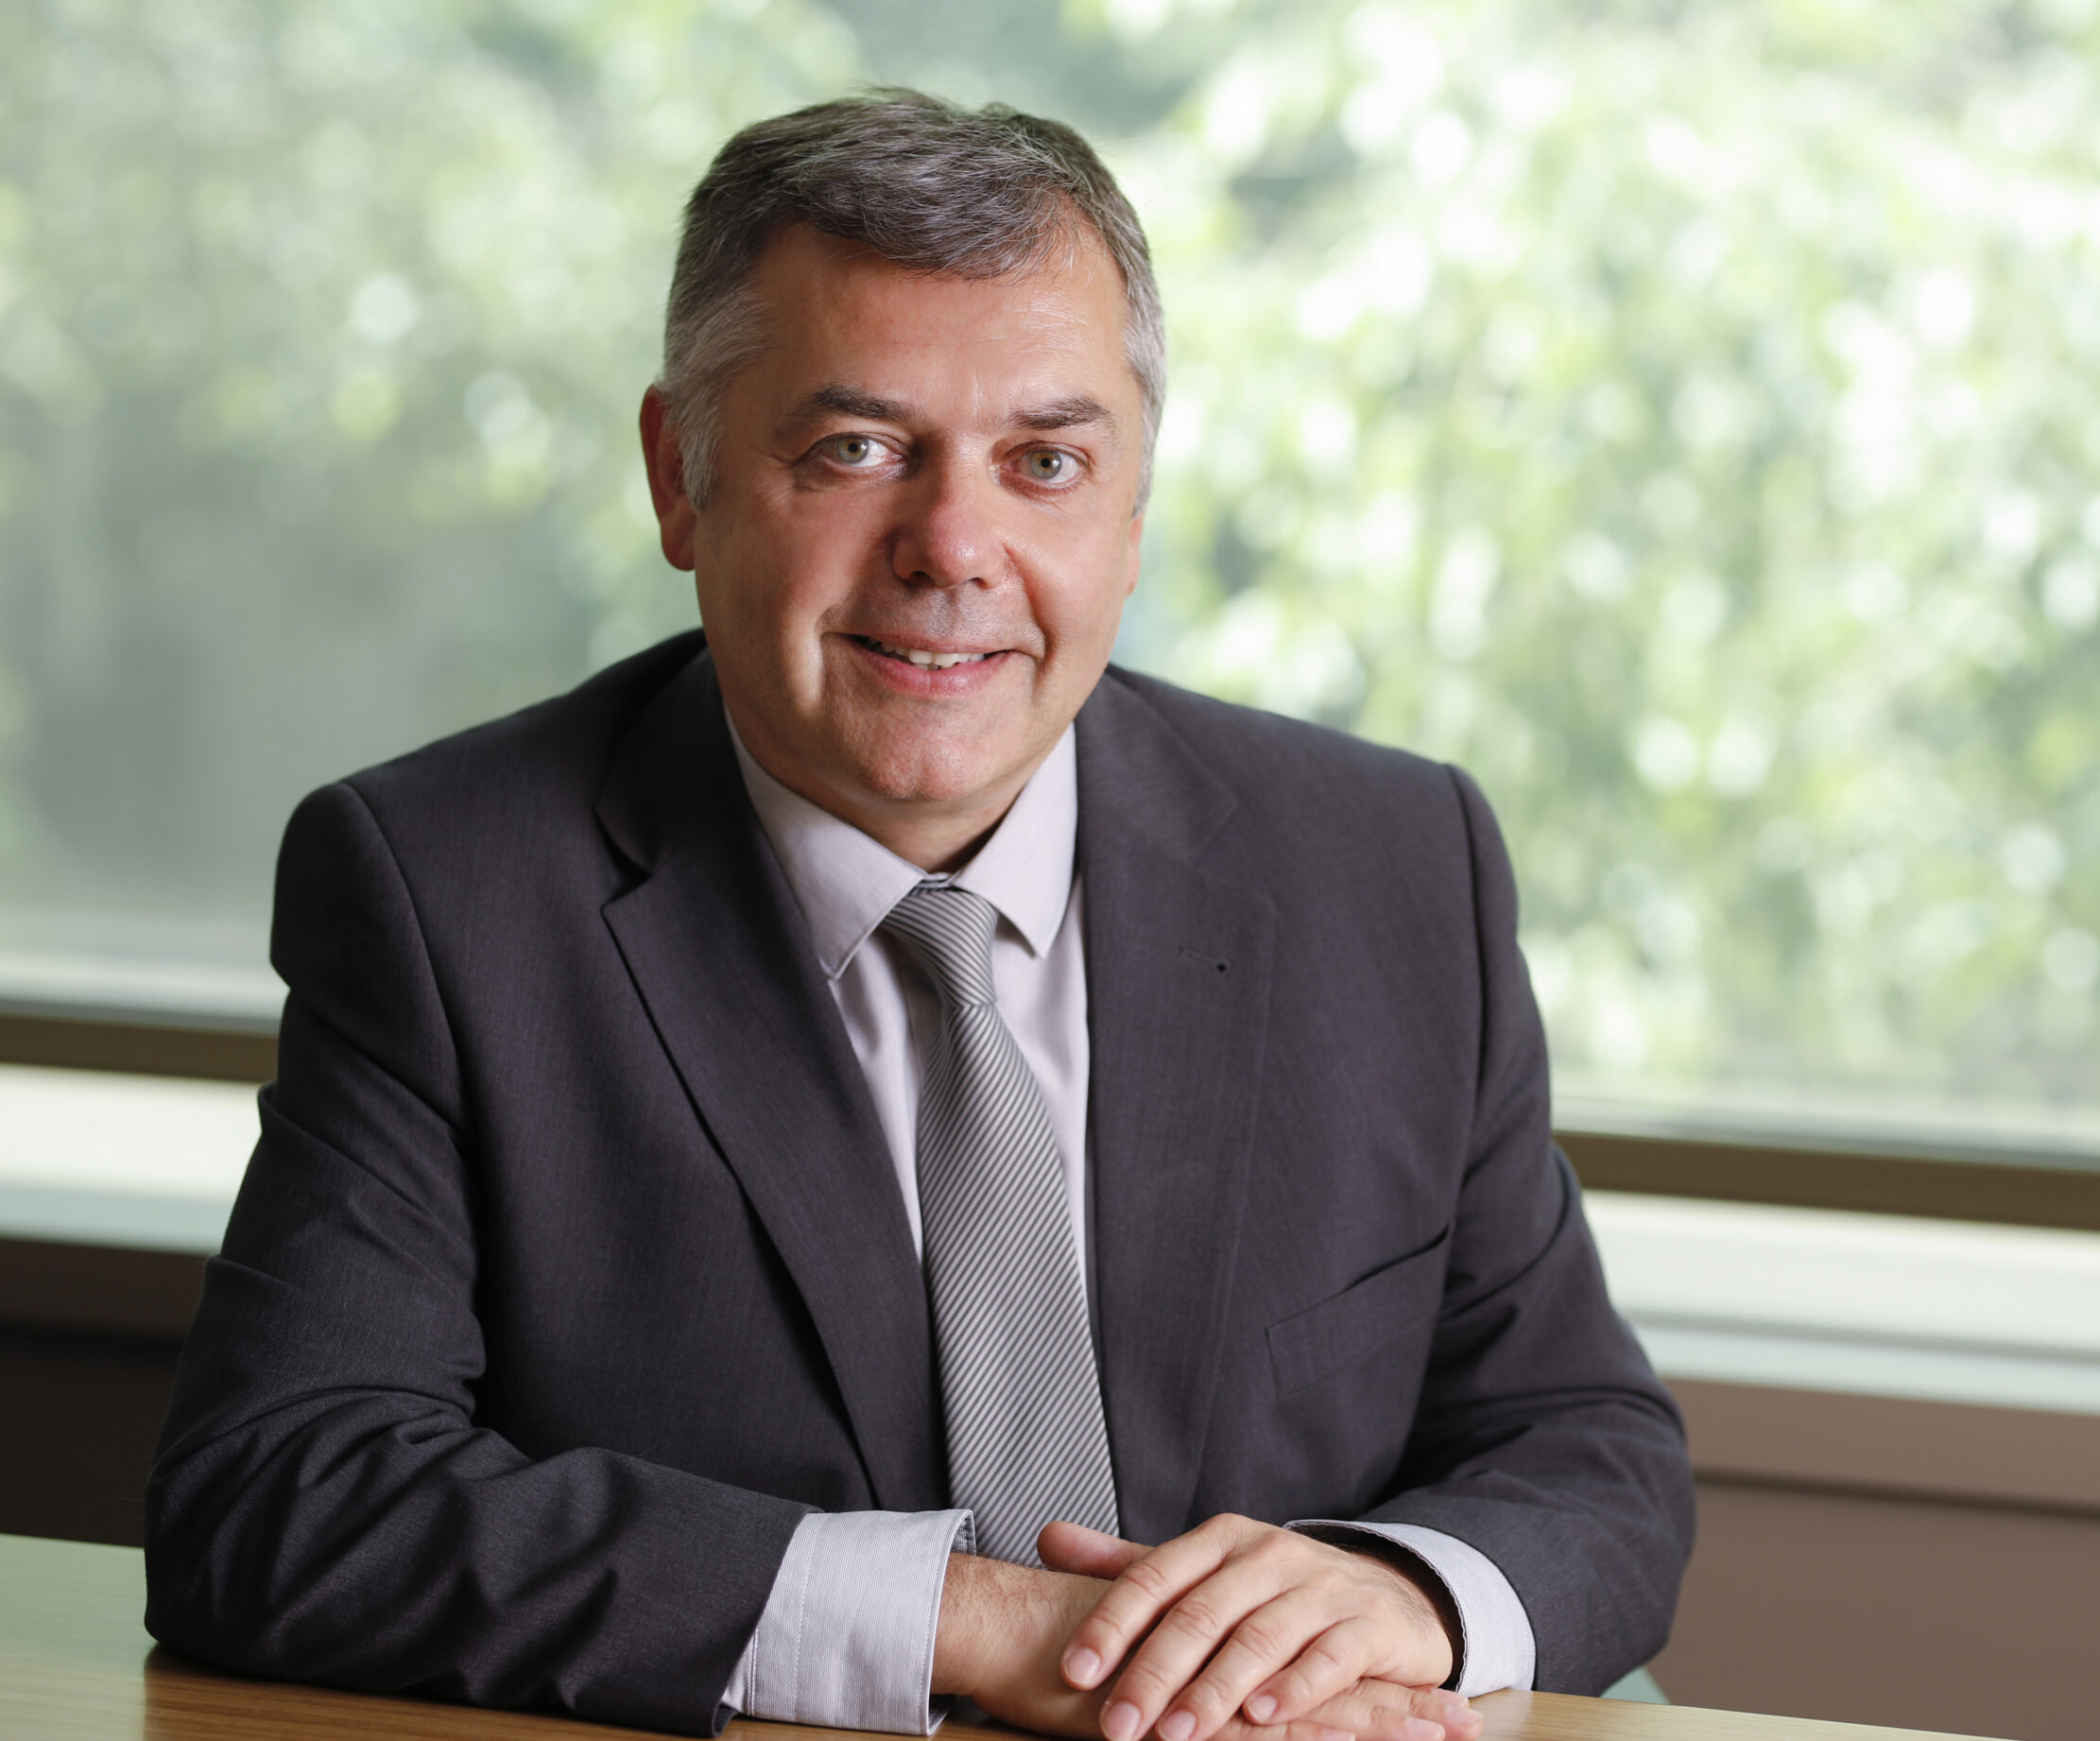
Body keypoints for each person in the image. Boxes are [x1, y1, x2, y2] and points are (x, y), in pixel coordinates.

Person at [144, 92, 1694, 1740]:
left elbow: (1585, 1446)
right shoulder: (445, 889)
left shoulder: (1389, 863)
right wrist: (974, 1620)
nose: (954, 548)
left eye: (1047, 462)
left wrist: (1396, 1595)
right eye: (856, 450)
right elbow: (280, 1491)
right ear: (679, 477)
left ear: (1132, 507)